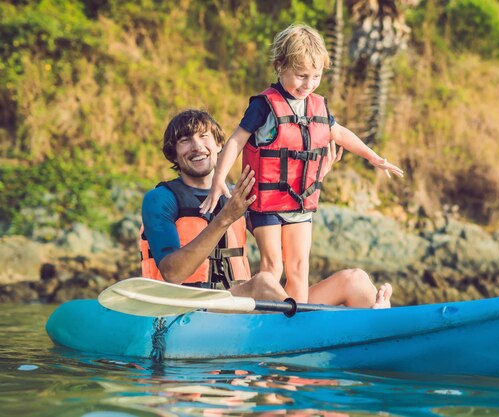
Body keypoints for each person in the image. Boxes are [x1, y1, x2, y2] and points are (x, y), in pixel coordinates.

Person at [200, 24, 403, 303]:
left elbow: (340, 133)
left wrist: (373, 158)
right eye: (301, 76)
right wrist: (217, 182)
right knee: (273, 267)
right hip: (266, 204)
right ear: (280, 66)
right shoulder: (263, 106)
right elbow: (235, 141)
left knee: (299, 268)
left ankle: (297, 323)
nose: (308, 84)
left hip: (300, 202)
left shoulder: (317, 105)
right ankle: (273, 319)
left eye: (316, 76)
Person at [141, 109, 392, 308]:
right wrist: (225, 218)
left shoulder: (240, 194)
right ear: (173, 155)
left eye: (204, 136)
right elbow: (172, 273)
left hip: (240, 307)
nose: (196, 146)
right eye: (185, 141)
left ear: (219, 144)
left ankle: (380, 328)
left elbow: (285, 233)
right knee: (263, 282)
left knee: (355, 280)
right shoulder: (161, 199)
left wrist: (310, 183)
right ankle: (303, 332)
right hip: (187, 310)